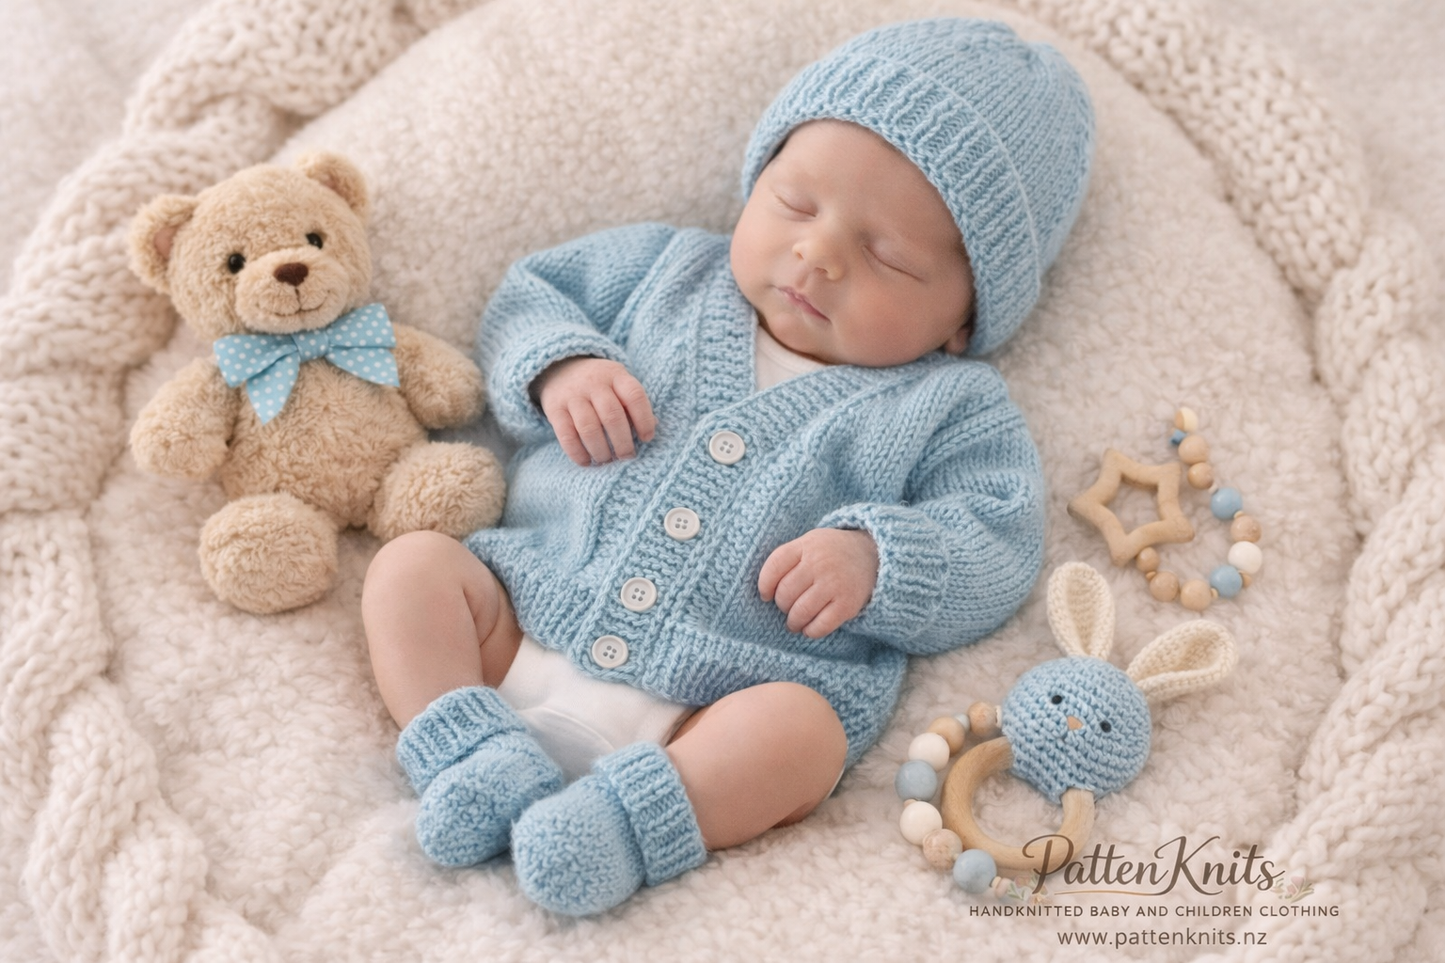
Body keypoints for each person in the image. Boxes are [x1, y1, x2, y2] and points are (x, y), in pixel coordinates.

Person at [362, 17, 1094, 916]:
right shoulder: (664, 271)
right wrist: (561, 364)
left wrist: (878, 560)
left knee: (803, 735)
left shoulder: (948, 406)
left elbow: (999, 533)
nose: (817, 254)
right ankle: (470, 752)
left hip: (711, 712)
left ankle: (618, 831)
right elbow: (532, 293)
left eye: (887, 256)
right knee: (412, 568)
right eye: (794, 203)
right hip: (519, 618)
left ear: (962, 316)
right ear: (757, 179)